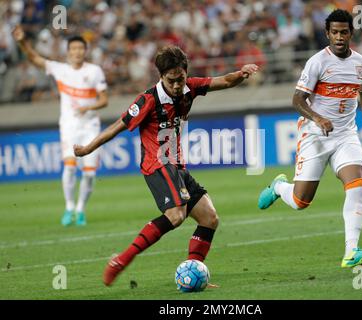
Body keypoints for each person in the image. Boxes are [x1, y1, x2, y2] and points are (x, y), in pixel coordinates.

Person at [74, 46, 258, 286]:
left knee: (210, 218)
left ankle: (193, 271)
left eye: (180, 79)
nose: (176, 85)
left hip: (177, 166)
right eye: (171, 80)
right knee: (175, 215)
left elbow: (223, 81)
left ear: (185, 74)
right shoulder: (148, 100)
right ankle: (121, 260)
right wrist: (88, 148)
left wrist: (241, 73)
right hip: (157, 163)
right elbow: (119, 125)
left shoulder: (190, 86)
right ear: (161, 76)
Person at [258, 9, 362, 268]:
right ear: (327, 34)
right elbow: (297, 100)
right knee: (301, 201)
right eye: (334, 32)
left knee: (357, 184)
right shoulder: (317, 63)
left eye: (343, 32)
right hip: (315, 136)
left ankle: (351, 251)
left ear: (351, 33)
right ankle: (279, 187)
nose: (339, 37)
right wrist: (317, 118)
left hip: (346, 135)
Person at [12, 25, 108, 226]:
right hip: (69, 125)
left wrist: (87, 107)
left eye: (80, 49)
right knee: (70, 167)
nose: (77, 52)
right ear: (68, 52)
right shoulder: (60, 69)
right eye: (73, 49)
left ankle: (81, 209)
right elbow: (34, 58)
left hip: (90, 126)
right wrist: (22, 42)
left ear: (85, 51)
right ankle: (69, 207)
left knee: (89, 173)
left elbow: (104, 100)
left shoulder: (94, 71)